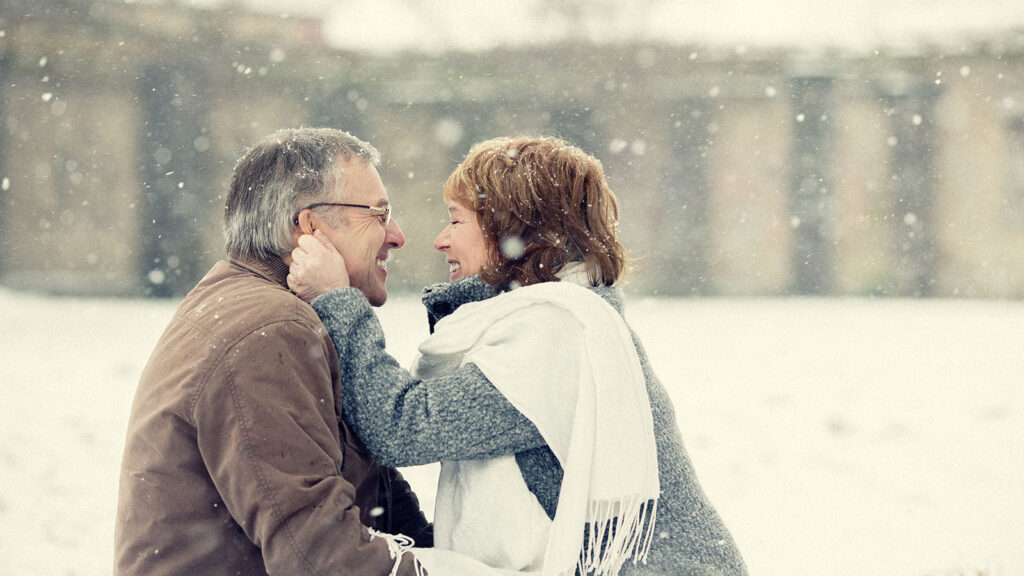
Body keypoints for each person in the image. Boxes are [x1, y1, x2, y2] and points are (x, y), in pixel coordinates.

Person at [288, 136, 748, 575]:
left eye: (456, 220)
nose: (440, 240)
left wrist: (336, 298)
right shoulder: (557, 320)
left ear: (510, 228)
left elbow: (405, 429)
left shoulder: (558, 331)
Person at [114, 127, 431, 576]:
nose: (396, 235)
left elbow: (372, 500)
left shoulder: (243, 300)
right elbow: (318, 557)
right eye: (379, 214)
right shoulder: (271, 329)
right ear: (310, 226)